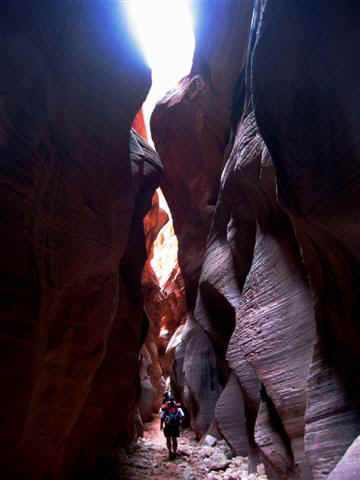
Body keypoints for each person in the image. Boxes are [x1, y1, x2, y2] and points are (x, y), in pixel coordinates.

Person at [160, 395, 184, 459]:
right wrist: (180, 423)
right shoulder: (178, 408)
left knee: (168, 439)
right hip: (175, 426)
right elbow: (182, 416)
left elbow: (162, 417)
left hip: (168, 426)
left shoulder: (165, 408)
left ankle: (170, 452)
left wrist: (161, 425)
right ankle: (174, 452)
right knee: (174, 439)